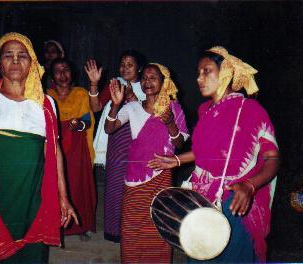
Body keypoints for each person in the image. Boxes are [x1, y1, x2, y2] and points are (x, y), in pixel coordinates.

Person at [148, 47, 280, 262]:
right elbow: (206, 153)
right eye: (198, 72)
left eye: (207, 71)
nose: (199, 78)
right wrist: (178, 160)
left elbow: (272, 158)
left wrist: (250, 186)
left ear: (226, 72)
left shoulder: (250, 110)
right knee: (200, 255)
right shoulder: (205, 110)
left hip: (235, 201)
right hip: (201, 199)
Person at [0, 32, 78, 263]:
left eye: (22, 55)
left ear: (31, 62)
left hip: (32, 196)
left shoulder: (45, 102)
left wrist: (63, 197)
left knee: (29, 253)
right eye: (7, 55)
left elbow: (53, 151)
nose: (14, 60)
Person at [105, 63, 189, 263]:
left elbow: (180, 143)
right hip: (134, 180)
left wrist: (169, 122)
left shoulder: (174, 108)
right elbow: (110, 128)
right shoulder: (133, 107)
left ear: (163, 82)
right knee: (131, 229)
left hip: (161, 177)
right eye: (144, 78)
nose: (147, 81)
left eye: (153, 77)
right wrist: (116, 105)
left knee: (158, 226)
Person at [84, 50, 146, 242]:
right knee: (114, 186)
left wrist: (131, 96)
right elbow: (96, 108)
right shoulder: (115, 83)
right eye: (122, 64)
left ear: (140, 68)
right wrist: (94, 84)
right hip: (117, 138)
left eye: (130, 64)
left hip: (140, 141)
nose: (125, 68)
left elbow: (150, 115)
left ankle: (133, 231)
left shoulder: (148, 85)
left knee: (137, 187)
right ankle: (113, 232)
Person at [46, 58, 96, 241]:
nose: (62, 74)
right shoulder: (46, 95)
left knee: (77, 184)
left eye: (66, 69)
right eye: (58, 71)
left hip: (76, 146)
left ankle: (79, 226)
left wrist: (78, 124)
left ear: (72, 73)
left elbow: (88, 121)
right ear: (52, 76)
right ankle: (55, 227)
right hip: (53, 145)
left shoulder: (81, 94)